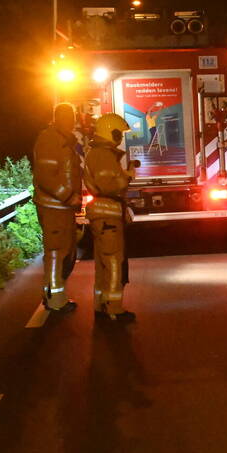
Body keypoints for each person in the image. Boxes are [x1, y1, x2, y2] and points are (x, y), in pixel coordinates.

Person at [84, 113, 138, 322]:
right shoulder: (103, 155)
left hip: (102, 216)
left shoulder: (98, 153)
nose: (121, 138)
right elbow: (109, 185)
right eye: (119, 134)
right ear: (111, 133)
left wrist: (125, 173)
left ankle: (101, 305)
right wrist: (126, 177)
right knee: (114, 262)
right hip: (108, 216)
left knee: (103, 264)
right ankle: (114, 308)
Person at [33, 102, 82, 312]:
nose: (71, 121)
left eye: (72, 116)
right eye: (67, 116)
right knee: (56, 254)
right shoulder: (50, 140)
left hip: (63, 209)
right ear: (58, 118)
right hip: (54, 208)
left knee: (65, 253)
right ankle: (54, 300)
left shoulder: (63, 141)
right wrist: (68, 196)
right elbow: (45, 177)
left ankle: (54, 296)